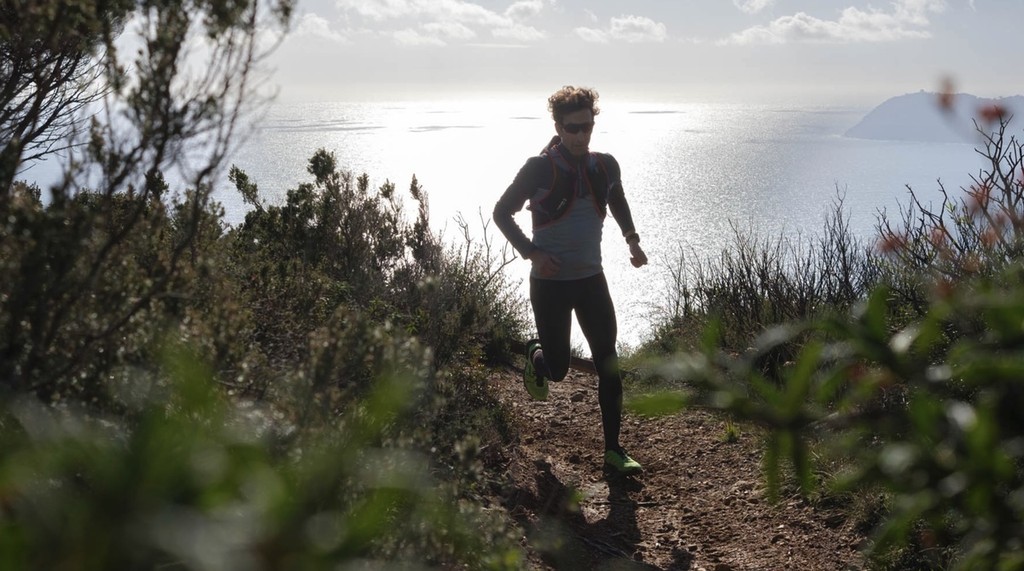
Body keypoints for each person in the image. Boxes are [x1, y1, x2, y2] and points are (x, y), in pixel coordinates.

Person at [493, 85, 648, 475]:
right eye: (572, 128)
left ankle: (613, 450)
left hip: (592, 279)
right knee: (558, 369)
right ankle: (536, 354)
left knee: (608, 362)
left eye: (587, 127)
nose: (581, 135)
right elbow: (501, 212)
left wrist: (632, 240)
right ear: (558, 127)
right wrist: (532, 253)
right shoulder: (539, 168)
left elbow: (616, 198)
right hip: (550, 284)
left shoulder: (605, 165)